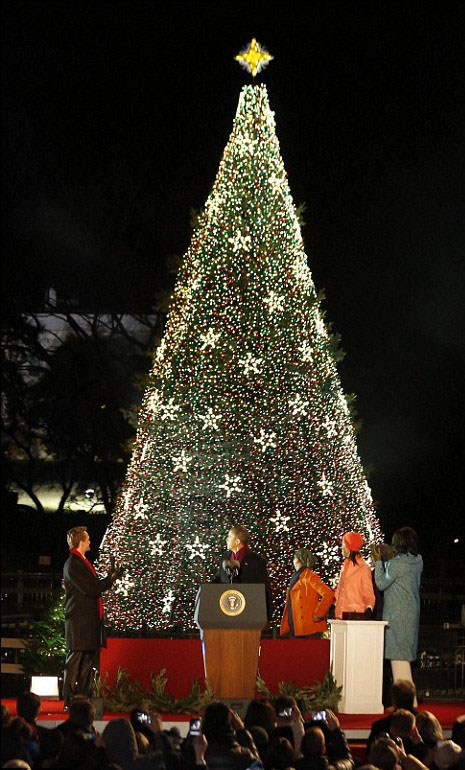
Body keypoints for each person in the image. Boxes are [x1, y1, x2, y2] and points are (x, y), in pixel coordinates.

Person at [62, 526, 123, 708]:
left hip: (87, 620)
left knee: (87, 658)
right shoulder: (73, 563)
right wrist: (110, 579)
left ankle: (83, 696)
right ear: (81, 541)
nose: (90, 542)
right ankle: (69, 698)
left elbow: (92, 586)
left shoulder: (81, 562)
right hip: (79, 621)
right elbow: (91, 589)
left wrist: (109, 578)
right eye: (87, 539)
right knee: (76, 658)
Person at [373, 527, 423, 688]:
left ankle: (405, 701)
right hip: (411, 613)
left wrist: (379, 562)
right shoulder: (418, 561)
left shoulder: (396, 565)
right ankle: (410, 699)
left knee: (398, 658)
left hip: (397, 615)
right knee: (404, 659)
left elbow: (381, 583)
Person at [215, 525, 272, 620]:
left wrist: (267, 616)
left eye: (229, 536)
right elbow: (219, 578)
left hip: (248, 614)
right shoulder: (225, 557)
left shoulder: (257, 561)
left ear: (237, 541)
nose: (226, 539)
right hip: (224, 612)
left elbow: (264, 589)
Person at [280, 548, 334, 638]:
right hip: (297, 626)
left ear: (297, 560)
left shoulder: (309, 576)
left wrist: (319, 613)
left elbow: (328, 594)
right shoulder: (298, 576)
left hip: (307, 628)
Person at [366, 680, 418, 753]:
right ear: (413, 697)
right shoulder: (424, 722)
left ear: (393, 700)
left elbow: (370, 754)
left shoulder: (380, 726)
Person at [334, 532, 375, 619]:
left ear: (349, 547)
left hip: (355, 617)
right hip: (340, 617)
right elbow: (339, 592)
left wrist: (369, 609)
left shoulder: (363, 568)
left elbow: (369, 594)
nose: (342, 547)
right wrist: (334, 606)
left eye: (343, 544)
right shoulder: (345, 566)